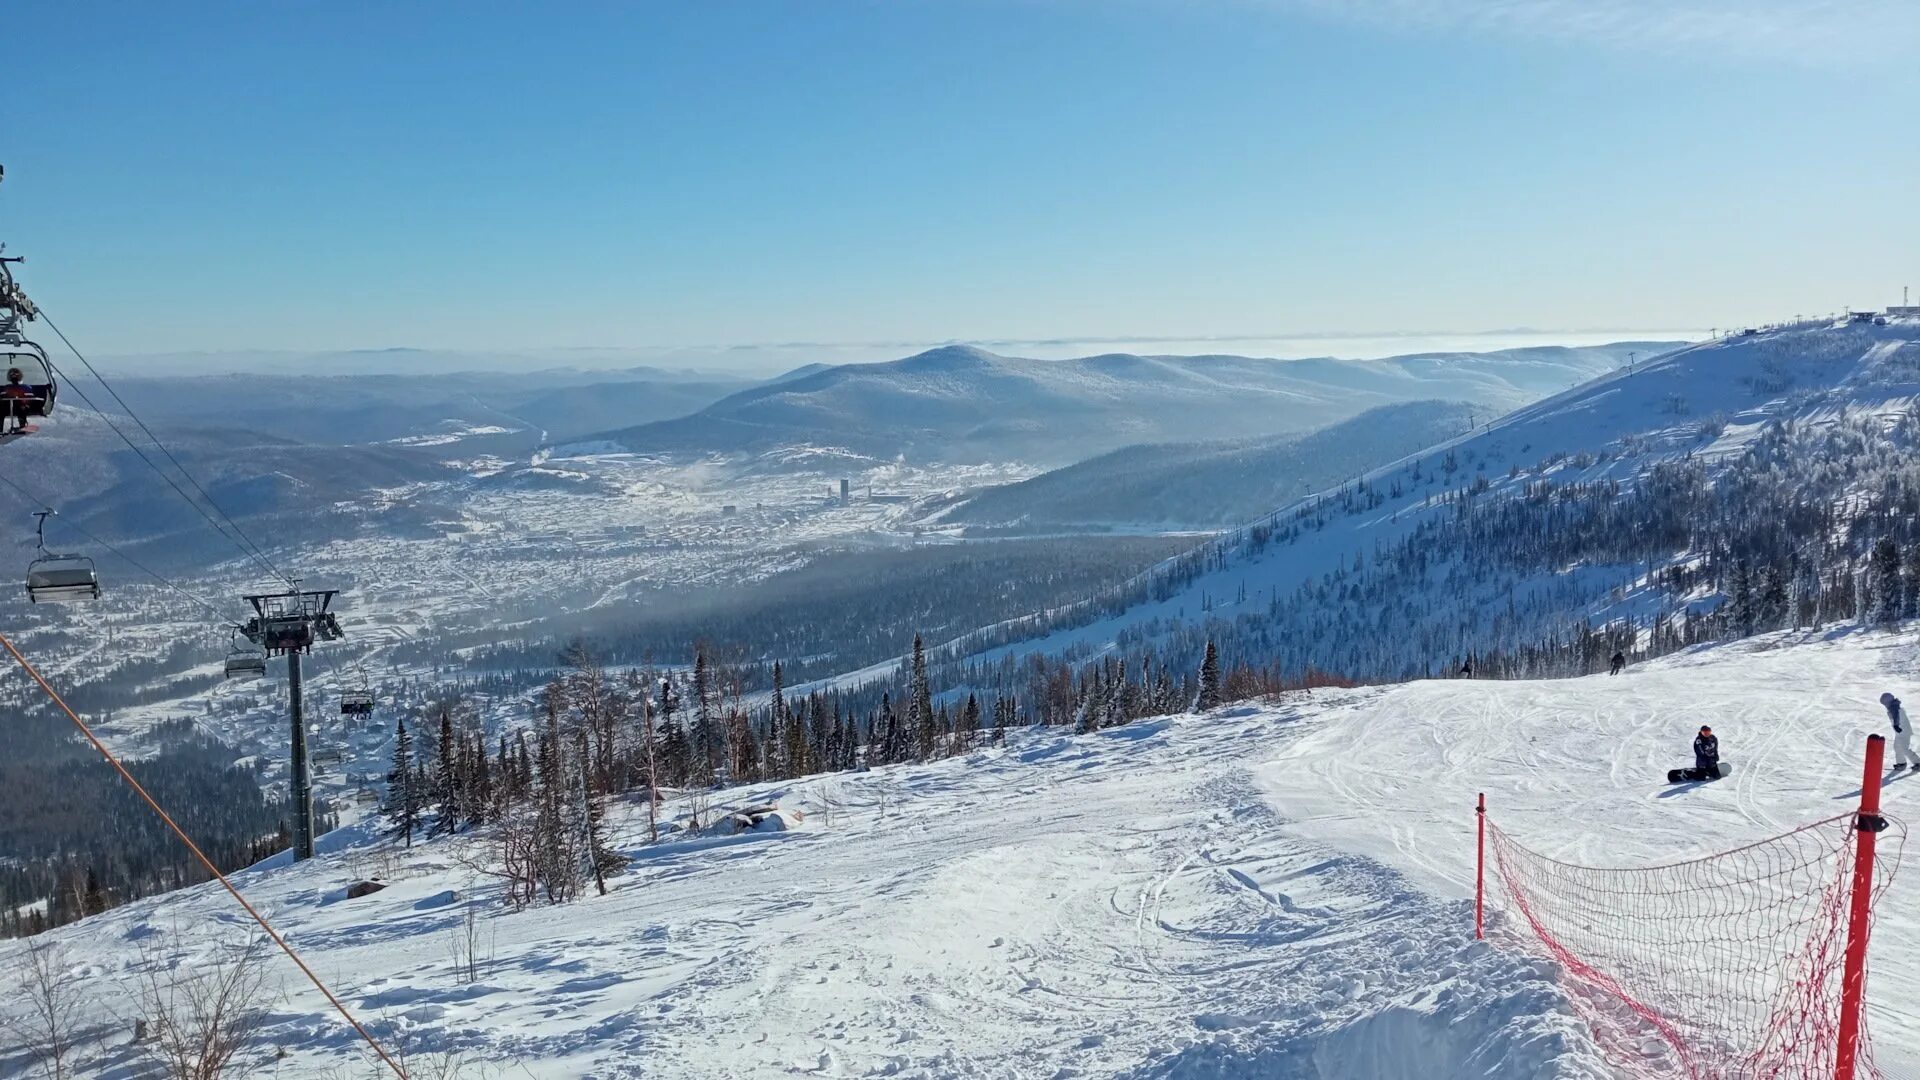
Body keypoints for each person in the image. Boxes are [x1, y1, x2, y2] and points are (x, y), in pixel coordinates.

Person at [1880, 692, 1917, 771]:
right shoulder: (1894, 706)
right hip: (1900, 732)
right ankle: (1901, 763)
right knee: (1897, 747)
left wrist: (1896, 725)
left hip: (1903, 731)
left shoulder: (1894, 708)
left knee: (1905, 749)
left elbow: (1896, 717)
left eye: (1884, 704)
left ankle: (1918, 762)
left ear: (1887, 702)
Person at [1, 367, 32, 433]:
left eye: (16, 374)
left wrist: (26, 404)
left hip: (21, 406)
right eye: (12, 375)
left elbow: (30, 398)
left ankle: (22, 426)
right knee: (1, 411)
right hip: (8, 406)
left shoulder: (26, 387)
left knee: (21, 410)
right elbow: (3, 398)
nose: (14, 376)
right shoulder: (7, 387)